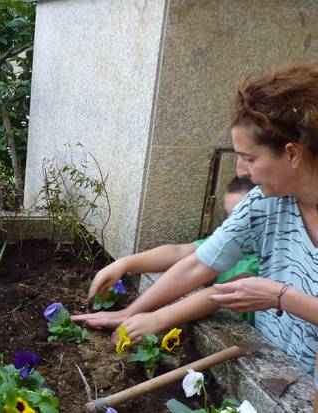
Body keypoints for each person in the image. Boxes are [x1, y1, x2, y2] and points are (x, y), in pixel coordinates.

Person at [74, 65, 318, 405]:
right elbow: (199, 263)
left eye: (250, 158)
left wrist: (281, 296)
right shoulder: (266, 202)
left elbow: (277, 295)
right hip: (269, 378)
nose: (241, 171)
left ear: (292, 153)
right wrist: (131, 312)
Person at [74, 176, 257, 338]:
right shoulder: (233, 239)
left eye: (240, 217)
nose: (233, 224)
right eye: (229, 217)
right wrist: (124, 263)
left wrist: (156, 318)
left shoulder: (261, 259)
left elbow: (222, 292)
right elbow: (179, 252)